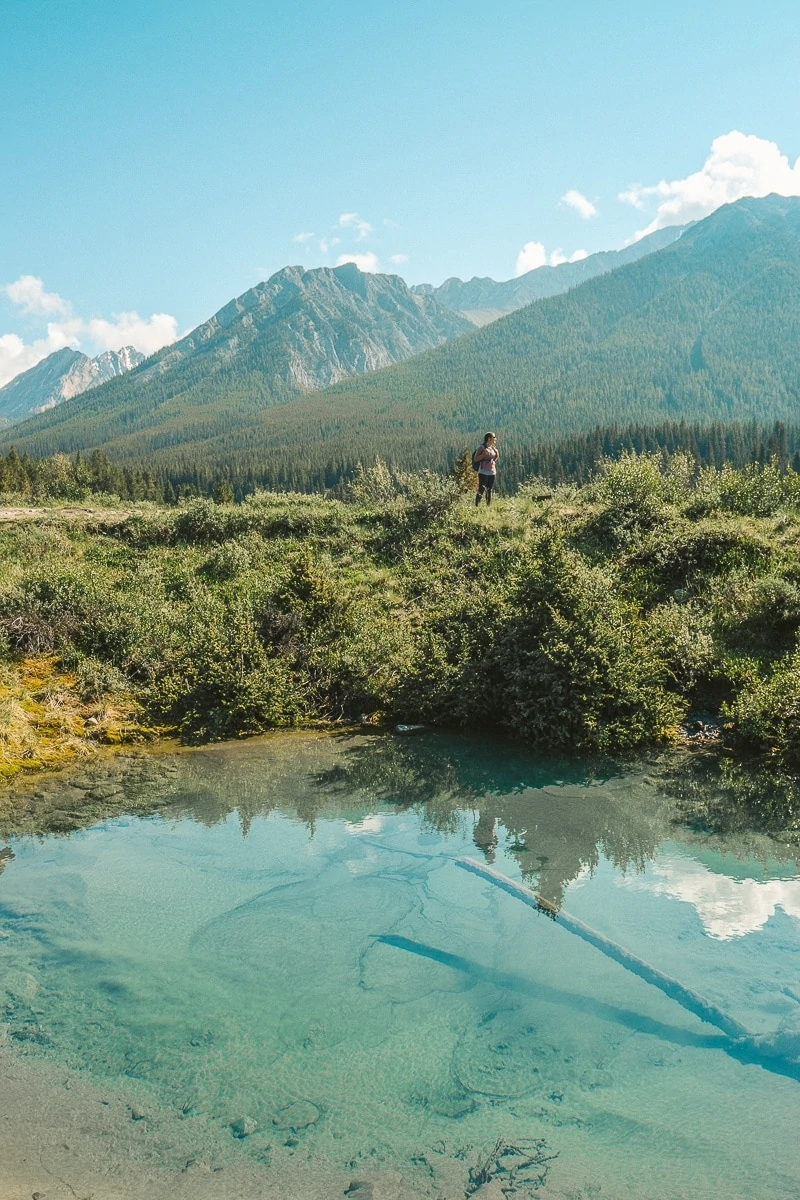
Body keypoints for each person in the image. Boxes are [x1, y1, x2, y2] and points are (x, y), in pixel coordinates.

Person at [474, 432, 499, 506]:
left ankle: (488, 506)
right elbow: (475, 459)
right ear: (489, 438)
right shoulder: (482, 447)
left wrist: (497, 454)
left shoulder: (493, 447)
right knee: (481, 489)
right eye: (494, 437)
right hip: (483, 472)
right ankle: (477, 506)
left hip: (492, 472)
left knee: (489, 490)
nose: (495, 439)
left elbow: (493, 459)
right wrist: (483, 455)